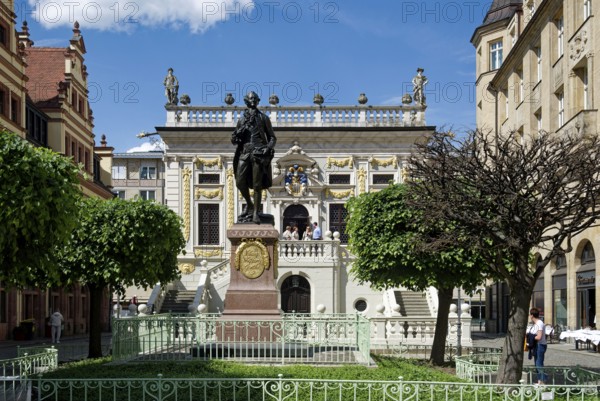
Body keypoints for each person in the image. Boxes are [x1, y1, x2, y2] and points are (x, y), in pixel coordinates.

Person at [231, 91, 277, 224]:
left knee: (257, 185)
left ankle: (256, 212)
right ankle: (250, 204)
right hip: (245, 153)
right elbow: (234, 140)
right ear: (246, 101)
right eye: (250, 99)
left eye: (255, 99)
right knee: (239, 181)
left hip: (258, 153)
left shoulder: (263, 118)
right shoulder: (241, 120)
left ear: (257, 101)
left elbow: (272, 137)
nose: (253, 101)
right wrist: (236, 136)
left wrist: (268, 148)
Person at [528, 307, 547, 384]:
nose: (529, 316)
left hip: (540, 345)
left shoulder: (539, 323)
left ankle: (542, 381)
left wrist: (531, 337)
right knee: (537, 363)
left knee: (539, 364)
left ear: (532, 315)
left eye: (530, 314)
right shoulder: (535, 324)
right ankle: (540, 381)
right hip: (537, 346)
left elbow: (539, 337)